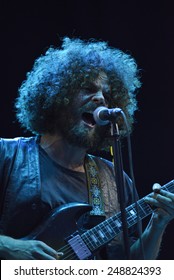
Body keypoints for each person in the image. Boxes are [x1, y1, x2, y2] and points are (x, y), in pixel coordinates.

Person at [0, 37, 174, 260]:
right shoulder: (7, 156)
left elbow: (130, 267)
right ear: (56, 96)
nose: (101, 98)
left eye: (107, 95)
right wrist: (9, 246)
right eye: (87, 88)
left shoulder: (114, 180)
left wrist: (158, 223)